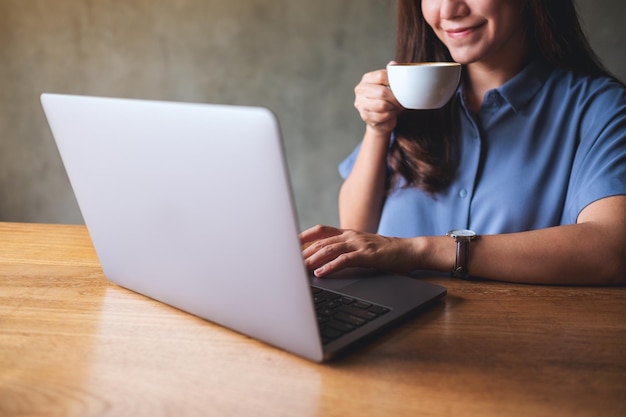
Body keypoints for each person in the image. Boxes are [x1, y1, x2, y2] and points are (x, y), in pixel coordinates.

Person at [300, 0, 626, 285]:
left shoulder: (599, 107)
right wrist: (376, 129)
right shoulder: (412, 99)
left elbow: (613, 251)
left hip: (518, 343)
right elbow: (358, 233)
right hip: (393, 343)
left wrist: (418, 251)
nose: (449, 10)